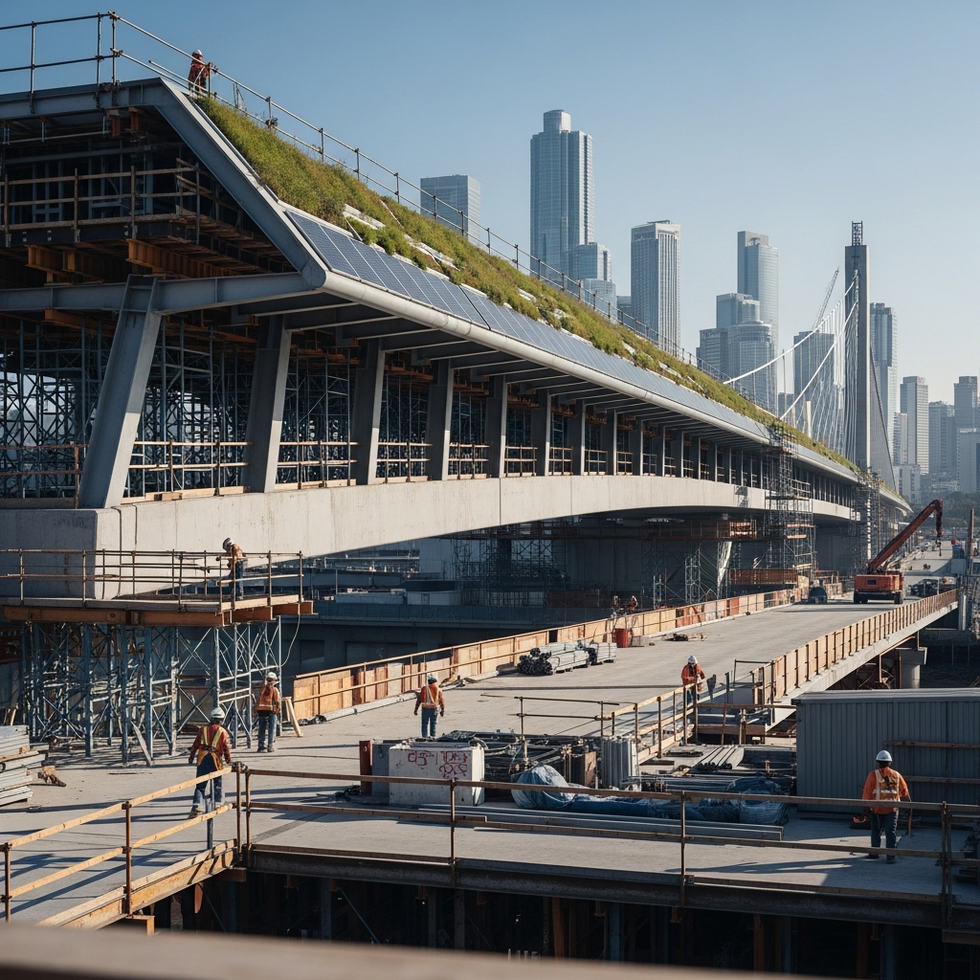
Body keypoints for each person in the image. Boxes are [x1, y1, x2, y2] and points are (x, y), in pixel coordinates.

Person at [861, 749, 910, 862]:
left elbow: (867, 792)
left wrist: (865, 808)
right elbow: (904, 792)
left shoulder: (873, 775)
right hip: (892, 810)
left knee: (875, 831)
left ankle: (875, 853)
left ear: (878, 762)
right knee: (890, 832)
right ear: (890, 763)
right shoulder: (897, 775)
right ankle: (890, 856)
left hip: (876, 810)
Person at [188, 706, 232, 817]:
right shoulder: (222, 731)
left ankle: (196, 807)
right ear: (221, 720)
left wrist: (191, 757)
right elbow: (226, 747)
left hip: (203, 758)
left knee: (200, 786)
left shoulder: (203, 730)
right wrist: (228, 760)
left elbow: (195, 744)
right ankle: (218, 804)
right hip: (215, 759)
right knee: (217, 783)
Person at [255, 671, 281, 753]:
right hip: (271, 711)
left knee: (261, 729)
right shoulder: (274, 690)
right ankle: (270, 746)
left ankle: (261, 746)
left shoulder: (263, 689)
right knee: (271, 729)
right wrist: (278, 710)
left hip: (262, 712)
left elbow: (258, 700)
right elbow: (277, 701)